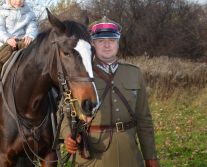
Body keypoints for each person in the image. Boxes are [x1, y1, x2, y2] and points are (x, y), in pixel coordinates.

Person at [61, 22, 159, 166]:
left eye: (112, 40)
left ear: (118, 44)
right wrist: (68, 135)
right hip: (94, 155)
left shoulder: (134, 73)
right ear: (92, 44)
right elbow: (62, 113)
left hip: (129, 154)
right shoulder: (79, 74)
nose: (107, 45)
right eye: (101, 41)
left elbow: (144, 119)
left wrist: (150, 157)